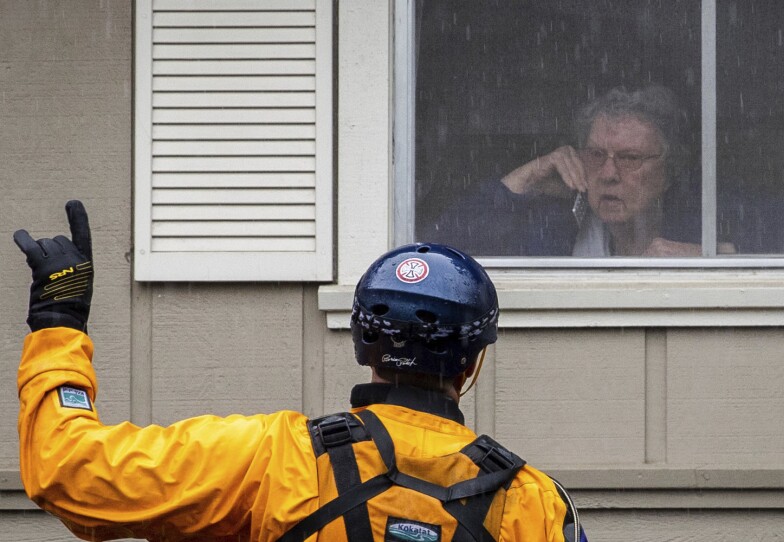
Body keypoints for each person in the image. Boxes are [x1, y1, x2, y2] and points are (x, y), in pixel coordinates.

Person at [14, 201, 587, 541]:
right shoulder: (532, 501)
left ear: (364, 344)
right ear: (473, 361)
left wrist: (58, 323)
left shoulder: (274, 457)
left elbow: (69, 471)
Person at [423, 85, 705, 257]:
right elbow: (439, 256)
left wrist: (711, 258)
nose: (608, 173)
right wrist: (525, 180)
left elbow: (746, 255)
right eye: (595, 155)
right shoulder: (554, 229)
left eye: (629, 158)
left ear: (669, 169)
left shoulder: (703, 225)